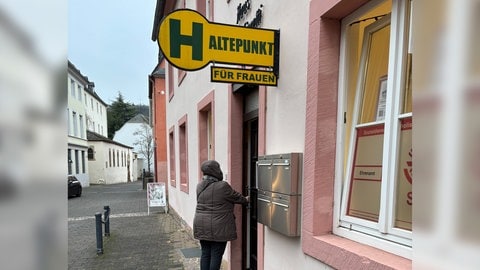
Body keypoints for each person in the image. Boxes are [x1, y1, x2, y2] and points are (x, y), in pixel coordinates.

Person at [193, 160, 249, 270]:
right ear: (216, 171)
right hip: (218, 227)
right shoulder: (223, 186)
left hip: (201, 225)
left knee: (205, 253)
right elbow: (237, 197)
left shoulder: (199, 185)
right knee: (216, 254)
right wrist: (246, 199)